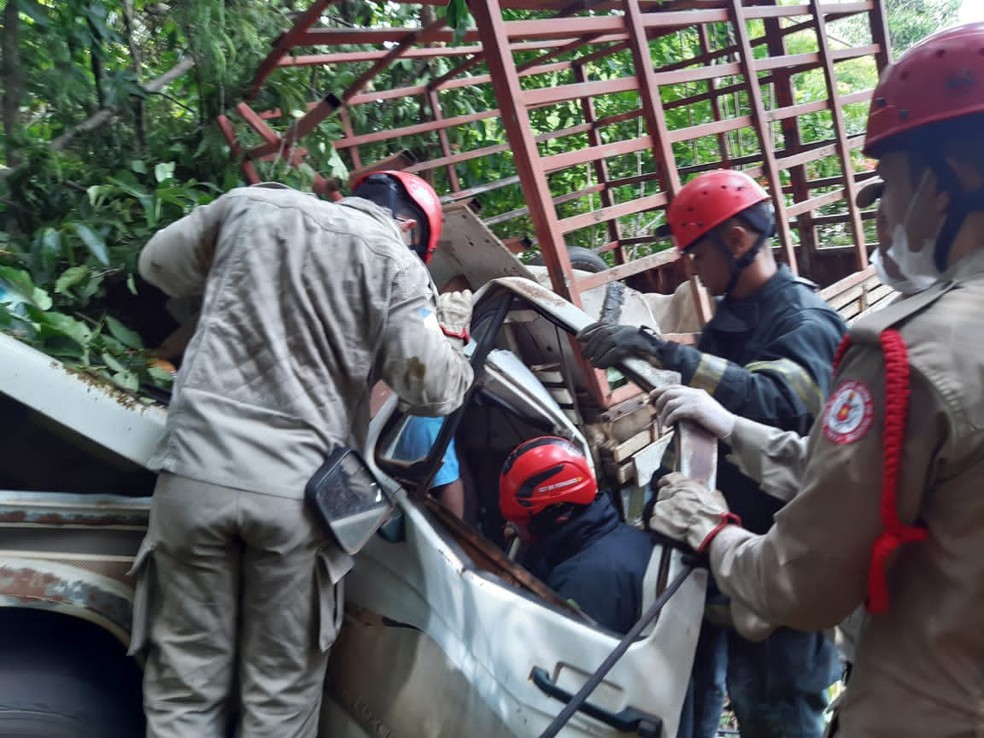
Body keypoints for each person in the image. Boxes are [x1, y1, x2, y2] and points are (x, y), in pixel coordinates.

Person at [650, 23, 984, 738]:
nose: (886, 216)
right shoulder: (738, 309)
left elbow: (801, 579)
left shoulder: (907, 349)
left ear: (951, 176)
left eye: (889, 187)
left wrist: (708, 532)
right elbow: (884, 479)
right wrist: (733, 428)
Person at [131, 170, 474, 738]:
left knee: (183, 691)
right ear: (409, 228)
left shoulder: (250, 207)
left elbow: (157, 267)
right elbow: (430, 390)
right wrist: (453, 343)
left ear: (353, 196)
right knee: (278, 699)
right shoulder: (396, 262)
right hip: (295, 502)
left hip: (194, 476)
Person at [577, 169, 847, 738]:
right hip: (721, 555)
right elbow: (724, 376)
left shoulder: (804, 320)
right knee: (696, 700)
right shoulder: (737, 314)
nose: (690, 268)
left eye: (697, 254)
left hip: (778, 568)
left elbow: (777, 398)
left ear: (739, 241)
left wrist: (664, 353)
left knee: (778, 713)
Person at [498, 436, 653, 634]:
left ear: (557, 517)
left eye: (520, 523)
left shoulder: (578, 588)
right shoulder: (629, 537)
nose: (512, 529)